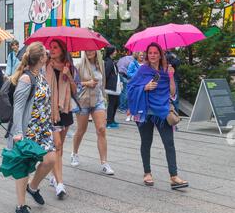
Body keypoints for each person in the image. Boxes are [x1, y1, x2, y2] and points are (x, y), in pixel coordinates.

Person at [127, 42, 188, 189]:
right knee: (146, 142)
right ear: (147, 55)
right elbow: (130, 88)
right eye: (150, 53)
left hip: (163, 112)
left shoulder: (167, 70)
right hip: (146, 112)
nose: (153, 55)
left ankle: (174, 176)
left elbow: (173, 93)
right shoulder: (143, 70)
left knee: (169, 143)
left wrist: (172, 76)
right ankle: (147, 173)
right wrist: (145, 87)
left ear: (160, 54)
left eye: (155, 52)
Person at [8, 42, 56, 213]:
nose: (48, 54)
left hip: (43, 128)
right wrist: (18, 133)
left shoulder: (41, 74)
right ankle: (21, 205)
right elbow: (18, 108)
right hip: (28, 129)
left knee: (50, 159)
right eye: (46, 52)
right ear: (41, 58)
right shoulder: (26, 79)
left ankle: (33, 187)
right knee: (23, 167)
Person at [45, 39, 80, 199]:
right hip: (50, 111)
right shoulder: (45, 65)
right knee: (56, 145)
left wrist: (68, 75)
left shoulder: (68, 66)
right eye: (50, 47)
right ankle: (60, 184)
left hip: (65, 110)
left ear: (62, 50)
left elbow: (74, 90)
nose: (52, 50)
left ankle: (54, 175)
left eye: (55, 47)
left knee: (59, 147)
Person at [71, 50, 114, 175]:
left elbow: (102, 84)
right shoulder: (79, 65)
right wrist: (87, 83)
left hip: (98, 100)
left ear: (96, 51)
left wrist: (104, 98)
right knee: (81, 130)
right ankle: (74, 153)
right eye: (87, 50)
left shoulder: (101, 65)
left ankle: (104, 162)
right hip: (83, 101)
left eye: (92, 50)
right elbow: (73, 84)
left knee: (101, 129)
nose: (89, 52)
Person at [104, 46, 121, 129]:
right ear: (111, 52)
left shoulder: (112, 61)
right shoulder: (109, 62)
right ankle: (109, 122)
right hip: (111, 86)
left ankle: (112, 120)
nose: (116, 52)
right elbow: (106, 74)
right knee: (112, 103)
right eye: (115, 51)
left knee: (116, 103)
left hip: (115, 86)